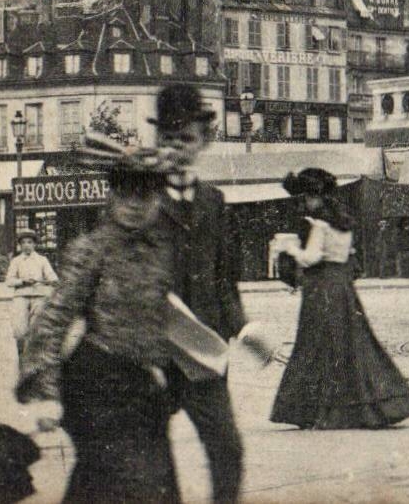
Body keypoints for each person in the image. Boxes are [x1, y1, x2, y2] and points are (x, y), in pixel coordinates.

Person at [15, 147, 181, 504]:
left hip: (144, 388)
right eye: (125, 192)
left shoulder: (164, 249)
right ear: (112, 194)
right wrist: (45, 394)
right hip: (96, 384)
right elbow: (54, 317)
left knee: (142, 484)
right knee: (126, 478)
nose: (135, 204)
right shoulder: (91, 249)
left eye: (145, 194)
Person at [152, 84, 245, 504]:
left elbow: (225, 277)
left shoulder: (215, 200)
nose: (177, 148)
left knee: (228, 450)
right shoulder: (140, 197)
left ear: (204, 141)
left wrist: (241, 328)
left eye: (186, 139)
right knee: (154, 459)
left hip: (204, 350)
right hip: (152, 351)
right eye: (168, 138)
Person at [270, 169, 409, 429]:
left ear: (316, 198)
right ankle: (375, 403)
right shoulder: (345, 224)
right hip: (342, 287)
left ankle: (316, 410)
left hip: (321, 287)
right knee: (350, 343)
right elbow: (347, 256)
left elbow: (311, 258)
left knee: (316, 344)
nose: (305, 203)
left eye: (306, 197)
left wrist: (288, 247)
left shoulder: (319, 224)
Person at [5, 231, 58, 368]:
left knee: (37, 329)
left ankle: (34, 361)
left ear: (35, 244)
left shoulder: (42, 260)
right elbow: (9, 281)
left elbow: (52, 277)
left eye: (30, 242)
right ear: (20, 245)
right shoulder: (16, 261)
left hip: (39, 296)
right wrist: (22, 281)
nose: (26, 246)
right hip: (21, 296)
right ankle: (21, 356)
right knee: (20, 329)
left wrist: (50, 280)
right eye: (23, 243)